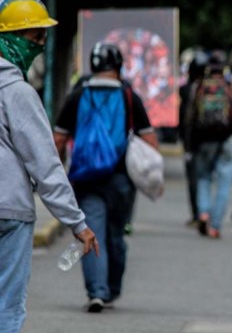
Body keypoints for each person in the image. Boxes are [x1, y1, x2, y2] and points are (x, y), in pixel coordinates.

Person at [0, 0, 98, 333]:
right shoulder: (17, 92)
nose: (41, 45)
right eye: (35, 37)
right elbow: (45, 165)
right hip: (9, 214)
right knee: (7, 306)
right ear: (10, 39)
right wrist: (77, 222)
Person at [54, 42, 157, 313]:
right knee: (116, 235)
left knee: (91, 233)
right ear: (118, 65)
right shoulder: (128, 97)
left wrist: (56, 171)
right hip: (121, 179)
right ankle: (111, 290)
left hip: (86, 178)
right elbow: (149, 139)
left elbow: (59, 138)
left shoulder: (77, 96)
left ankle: (96, 292)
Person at [184, 55, 232, 238]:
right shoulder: (229, 87)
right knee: (224, 183)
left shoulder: (198, 87)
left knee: (203, 178)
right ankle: (216, 225)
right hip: (227, 140)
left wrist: (188, 147)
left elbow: (189, 118)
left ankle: (203, 213)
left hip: (203, 141)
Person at [179, 48, 210, 227]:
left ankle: (197, 214)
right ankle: (206, 212)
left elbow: (185, 119)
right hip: (211, 140)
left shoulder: (185, 90)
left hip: (192, 141)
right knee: (206, 177)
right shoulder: (210, 88)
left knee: (194, 178)